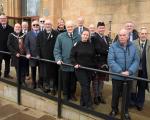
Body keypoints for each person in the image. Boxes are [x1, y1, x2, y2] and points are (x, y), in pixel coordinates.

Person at [108, 29, 139, 120]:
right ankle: (114, 109)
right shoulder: (113, 46)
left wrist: (129, 71)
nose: (122, 37)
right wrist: (120, 71)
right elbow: (111, 60)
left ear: (128, 36)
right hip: (117, 76)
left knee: (127, 95)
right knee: (115, 94)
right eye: (120, 35)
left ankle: (125, 111)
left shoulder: (133, 46)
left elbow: (136, 61)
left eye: (124, 35)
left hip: (129, 76)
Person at [54, 20, 80, 101]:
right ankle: (65, 94)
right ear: (66, 27)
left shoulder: (78, 37)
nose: (70, 28)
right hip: (65, 63)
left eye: (71, 26)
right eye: (68, 27)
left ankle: (72, 94)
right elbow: (57, 49)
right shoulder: (60, 36)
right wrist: (58, 59)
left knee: (73, 81)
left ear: (74, 27)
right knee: (65, 80)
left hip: (74, 64)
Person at [70, 30, 96, 109]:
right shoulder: (77, 44)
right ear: (81, 35)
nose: (85, 36)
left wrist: (94, 68)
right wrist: (75, 64)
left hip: (89, 69)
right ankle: (89, 104)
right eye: (84, 34)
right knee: (85, 85)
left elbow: (93, 57)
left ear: (88, 36)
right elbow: (72, 56)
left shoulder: (91, 45)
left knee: (86, 86)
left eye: (87, 35)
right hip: (80, 69)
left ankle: (82, 102)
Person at [37, 19, 59, 94]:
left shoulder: (56, 33)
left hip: (53, 58)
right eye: (46, 24)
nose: (47, 25)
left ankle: (53, 88)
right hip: (43, 58)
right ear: (44, 25)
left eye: (49, 24)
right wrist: (38, 55)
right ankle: (46, 87)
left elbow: (58, 46)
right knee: (45, 74)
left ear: (51, 25)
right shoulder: (40, 34)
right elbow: (38, 46)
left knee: (53, 74)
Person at [91, 22, 110, 105]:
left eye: (103, 28)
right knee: (96, 80)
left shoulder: (106, 38)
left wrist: (107, 50)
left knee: (101, 81)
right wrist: (108, 50)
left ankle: (100, 95)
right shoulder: (94, 38)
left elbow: (108, 47)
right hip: (97, 62)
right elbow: (97, 49)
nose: (102, 29)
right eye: (100, 28)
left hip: (105, 63)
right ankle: (95, 96)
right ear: (97, 28)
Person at [132, 27, 150, 111]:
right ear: (139, 34)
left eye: (145, 34)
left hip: (145, 71)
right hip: (134, 70)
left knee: (142, 88)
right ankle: (132, 102)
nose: (144, 35)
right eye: (142, 33)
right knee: (133, 86)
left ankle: (140, 103)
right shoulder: (133, 43)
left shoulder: (149, 44)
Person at [25, 20, 40, 89]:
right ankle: (33, 82)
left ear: (39, 25)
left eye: (37, 25)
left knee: (41, 70)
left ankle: (40, 83)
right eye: (34, 25)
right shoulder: (28, 34)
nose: (35, 26)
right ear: (32, 26)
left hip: (40, 56)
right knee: (33, 70)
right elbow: (26, 45)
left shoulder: (42, 33)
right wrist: (28, 53)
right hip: (32, 56)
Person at [0, 14, 13, 78]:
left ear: (6, 19)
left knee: (7, 63)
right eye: (1, 19)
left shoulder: (11, 28)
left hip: (7, 50)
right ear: (0, 20)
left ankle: (6, 74)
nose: (3, 20)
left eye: (4, 18)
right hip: (0, 50)